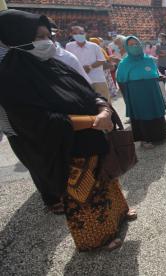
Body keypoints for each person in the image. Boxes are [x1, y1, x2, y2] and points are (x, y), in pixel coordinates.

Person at [0, 9, 136, 251]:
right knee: (84, 195)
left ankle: (119, 216)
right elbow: (41, 122)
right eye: (39, 37)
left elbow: (87, 91)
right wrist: (93, 121)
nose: (48, 42)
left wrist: (103, 110)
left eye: (48, 36)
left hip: (93, 138)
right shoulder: (11, 79)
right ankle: (98, 238)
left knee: (107, 181)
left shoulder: (53, 64)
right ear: (17, 40)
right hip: (68, 149)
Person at [116, 36, 166, 148]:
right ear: (127, 47)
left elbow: (154, 72)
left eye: (136, 43)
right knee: (142, 113)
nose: (135, 46)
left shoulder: (148, 59)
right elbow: (121, 79)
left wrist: (158, 76)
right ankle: (145, 139)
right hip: (137, 91)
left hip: (152, 88)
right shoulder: (124, 63)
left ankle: (163, 133)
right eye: (131, 45)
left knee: (157, 110)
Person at [66, 26, 111, 101]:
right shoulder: (69, 46)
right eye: (75, 33)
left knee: (104, 102)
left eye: (81, 33)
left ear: (85, 34)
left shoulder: (94, 46)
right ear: (71, 34)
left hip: (97, 79)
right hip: (80, 80)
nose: (78, 35)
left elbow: (102, 60)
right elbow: (68, 61)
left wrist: (90, 66)